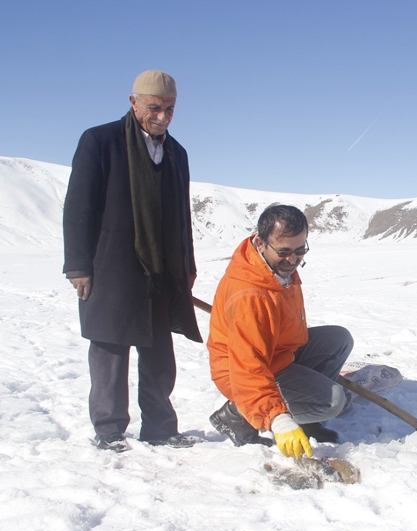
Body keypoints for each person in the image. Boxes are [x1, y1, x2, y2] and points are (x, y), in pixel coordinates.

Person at [62, 70, 202, 452]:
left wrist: (186, 266)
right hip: (112, 265)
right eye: (155, 107)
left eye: (170, 109)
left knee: (159, 352)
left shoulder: (177, 153)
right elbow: (79, 207)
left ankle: (160, 428)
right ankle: (109, 430)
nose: (162, 116)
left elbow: (181, 217)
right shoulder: (100, 141)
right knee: (109, 348)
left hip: (161, 271)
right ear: (133, 102)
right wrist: (78, 266)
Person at [207, 205, 353, 459]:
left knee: (337, 340)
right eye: (284, 251)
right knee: (331, 402)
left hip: (278, 353)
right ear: (262, 243)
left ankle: (306, 418)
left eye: (300, 250)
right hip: (241, 372)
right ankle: (237, 414)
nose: (293, 259)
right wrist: (278, 419)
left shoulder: (274, 267)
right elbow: (247, 365)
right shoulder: (249, 297)